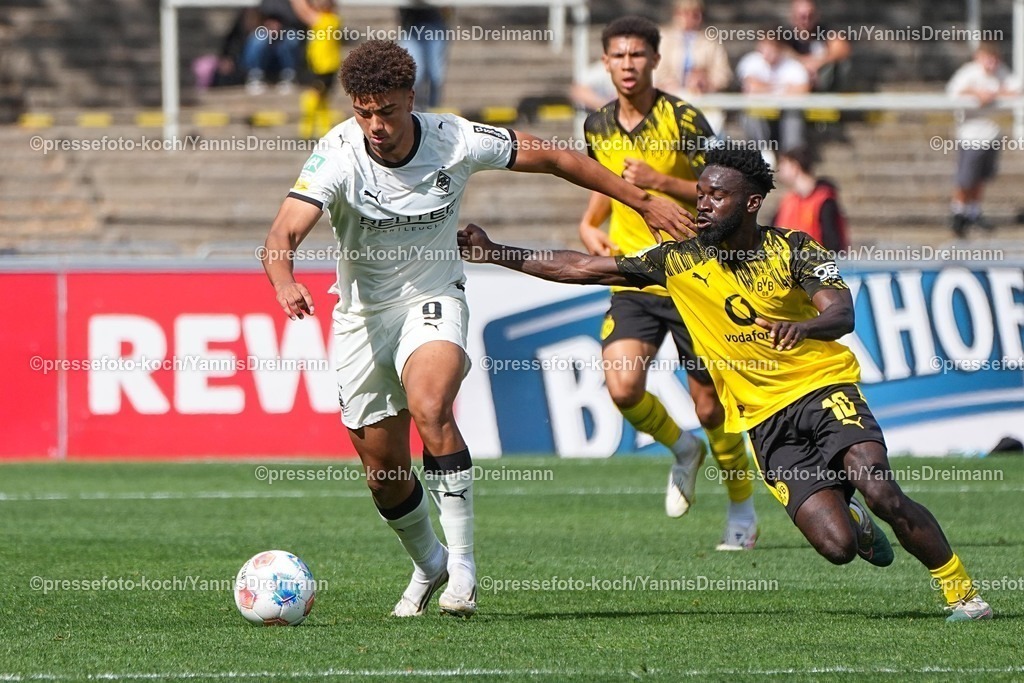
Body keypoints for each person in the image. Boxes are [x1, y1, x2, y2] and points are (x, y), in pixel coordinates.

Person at [458, 145, 994, 622]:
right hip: (763, 421)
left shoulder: (794, 248)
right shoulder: (678, 260)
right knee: (837, 547)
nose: (703, 204)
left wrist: (803, 327)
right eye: (700, 194)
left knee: (879, 486)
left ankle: (962, 594)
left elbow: (842, 312)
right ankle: (852, 518)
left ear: (752, 202)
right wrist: (495, 251)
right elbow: (581, 267)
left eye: (718, 195)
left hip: (824, 389)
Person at [260, 40, 692, 619]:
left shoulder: (455, 138)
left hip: (434, 297)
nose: (376, 126)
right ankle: (430, 563)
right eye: (363, 113)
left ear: (410, 97)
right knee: (384, 475)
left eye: (386, 111)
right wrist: (284, 280)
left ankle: (463, 566)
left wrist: (641, 201)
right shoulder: (338, 154)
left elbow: (557, 158)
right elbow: (283, 233)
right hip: (361, 317)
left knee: (431, 406)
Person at [580, 16, 758, 550]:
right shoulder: (596, 125)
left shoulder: (682, 117)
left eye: (637, 55)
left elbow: (721, 189)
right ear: (605, 62)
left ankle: (741, 506)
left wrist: (660, 182)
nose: (628, 64)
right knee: (622, 387)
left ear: (656, 59)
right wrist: (589, 224)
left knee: (711, 407)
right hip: (634, 274)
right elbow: (606, 181)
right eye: (618, 56)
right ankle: (683, 448)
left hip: (690, 277)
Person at [946, 43, 1021, 237]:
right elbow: (953, 92)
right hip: (971, 135)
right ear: (979, 57)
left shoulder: (1001, 73)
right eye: (988, 59)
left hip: (991, 135)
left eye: (994, 59)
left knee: (980, 178)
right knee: (965, 178)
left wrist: (994, 94)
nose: (991, 64)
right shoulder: (969, 73)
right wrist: (976, 93)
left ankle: (974, 211)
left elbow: (1016, 89)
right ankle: (958, 212)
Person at [656, 0, 731, 131]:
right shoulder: (663, 38)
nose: (692, 18)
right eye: (687, 13)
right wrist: (670, 83)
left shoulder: (710, 41)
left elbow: (723, 73)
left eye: (696, 14)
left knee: (712, 125)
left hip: (703, 98)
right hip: (670, 95)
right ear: (677, 14)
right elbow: (656, 68)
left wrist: (706, 82)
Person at [737, 32, 810, 155]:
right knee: (751, 113)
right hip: (760, 111)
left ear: (780, 48)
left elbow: (802, 90)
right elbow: (751, 87)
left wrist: (765, 87)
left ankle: (791, 155)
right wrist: (783, 88)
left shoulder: (793, 66)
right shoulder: (750, 61)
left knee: (793, 115)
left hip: (785, 112)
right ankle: (761, 154)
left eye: (772, 47)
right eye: (765, 46)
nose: (768, 51)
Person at [773, 145, 848, 252]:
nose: (779, 169)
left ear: (795, 166)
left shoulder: (824, 200)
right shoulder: (788, 201)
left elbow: (832, 243)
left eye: (783, 164)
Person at [289, 0, 342, 139]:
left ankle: (307, 130)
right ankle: (322, 130)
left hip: (323, 68)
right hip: (324, 66)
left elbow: (304, 13)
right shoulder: (332, 20)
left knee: (312, 98)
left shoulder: (327, 20)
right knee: (323, 100)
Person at [783, 0, 851, 92]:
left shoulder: (825, 32)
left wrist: (817, 63)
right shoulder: (784, 35)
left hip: (822, 79)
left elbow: (841, 49)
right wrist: (804, 64)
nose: (806, 20)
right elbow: (778, 50)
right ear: (793, 17)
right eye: (802, 17)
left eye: (810, 16)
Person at [399, 4, 452, 109]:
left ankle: (434, 108)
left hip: (435, 24)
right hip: (411, 24)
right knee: (414, 73)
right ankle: (412, 107)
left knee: (435, 74)